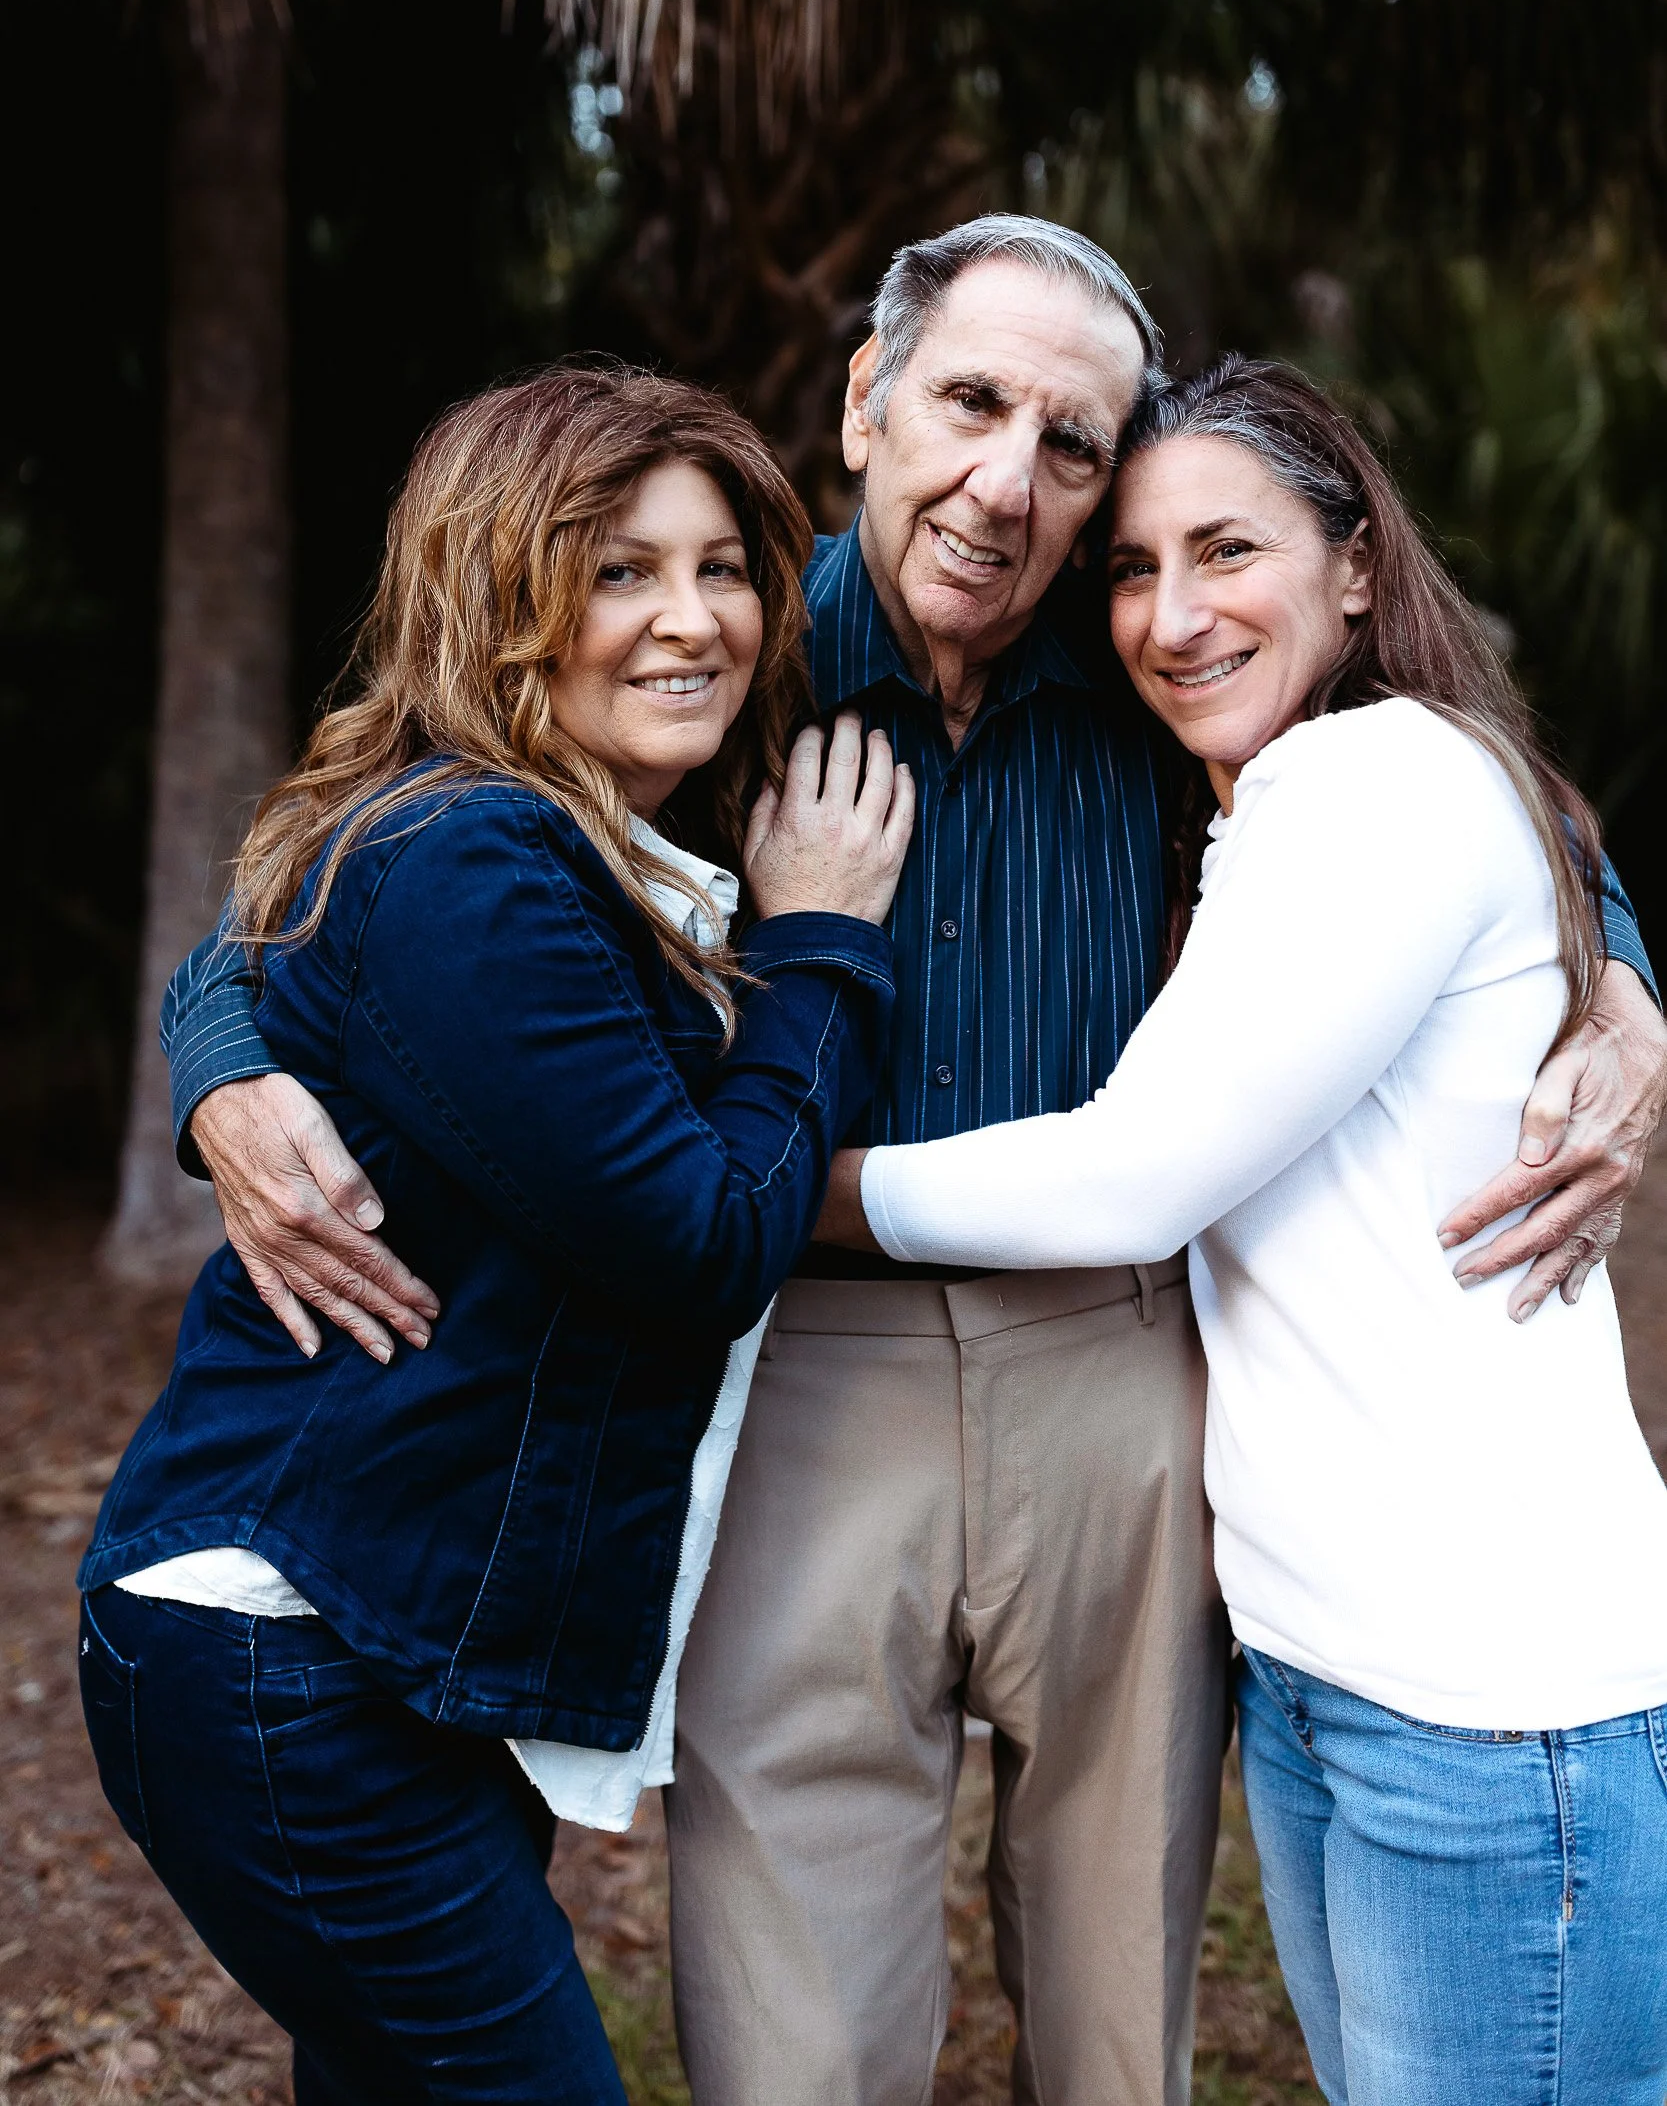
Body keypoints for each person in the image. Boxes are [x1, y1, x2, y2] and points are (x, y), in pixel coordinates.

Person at [153, 221, 1667, 2106]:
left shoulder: (1156, 651)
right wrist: (218, 1052)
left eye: (1070, 441)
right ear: (867, 403)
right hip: (791, 1370)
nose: (1005, 480)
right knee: (794, 2008)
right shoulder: (712, 650)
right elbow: (381, 836)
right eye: (968, 402)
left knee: (1117, 2007)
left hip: (1123, 1377)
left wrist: (1628, 991)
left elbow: (1461, 786)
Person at [835, 357, 1667, 2106]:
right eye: (1131, 568)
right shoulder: (1267, 801)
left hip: (1485, 1689)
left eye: (1227, 551)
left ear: (1356, 564)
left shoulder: (1379, 786)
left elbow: (1132, 1175)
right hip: (1324, 1666)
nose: (1171, 613)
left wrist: (793, 1192)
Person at [77, 366, 912, 2106]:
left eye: (721, 568)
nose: (690, 620)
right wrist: (827, 941)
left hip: (385, 1658)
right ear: (497, 593)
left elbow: (270, 957)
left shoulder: (577, 847)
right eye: (617, 571)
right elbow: (699, 1238)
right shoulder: (485, 858)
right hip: (287, 1658)